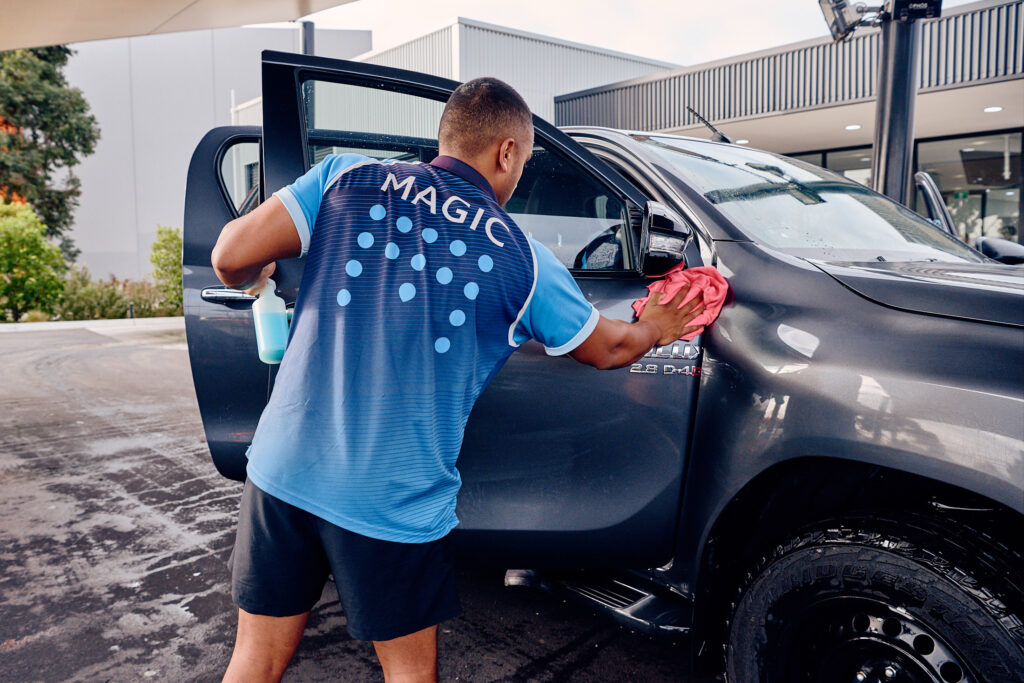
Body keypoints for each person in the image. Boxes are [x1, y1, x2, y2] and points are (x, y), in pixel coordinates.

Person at [211, 77, 705, 683]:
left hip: (281, 472)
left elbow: (229, 257)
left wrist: (257, 274)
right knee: (410, 675)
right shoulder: (523, 259)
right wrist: (657, 324)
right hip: (390, 500)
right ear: (505, 152)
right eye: (523, 160)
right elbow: (609, 349)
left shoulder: (345, 177)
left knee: (254, 661)